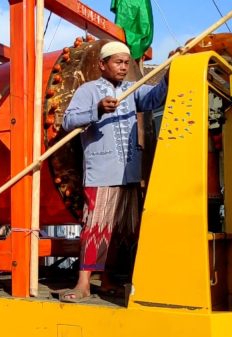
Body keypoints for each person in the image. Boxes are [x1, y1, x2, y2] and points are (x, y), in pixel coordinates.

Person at [59, 41, 171, 302]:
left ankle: (109, 279)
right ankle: (84, 284)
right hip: (102, 172)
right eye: (118, 62)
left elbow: (154, 99)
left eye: (126, 63)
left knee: (125, 230)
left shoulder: (131, 90)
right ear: (102, 64)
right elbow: (68, 120)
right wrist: (96, 109)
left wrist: (170, 73)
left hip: (129, 173)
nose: (123, 67)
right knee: (97, 228)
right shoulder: (89, 90)